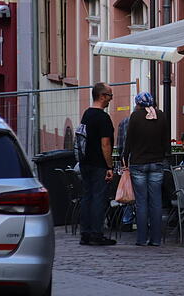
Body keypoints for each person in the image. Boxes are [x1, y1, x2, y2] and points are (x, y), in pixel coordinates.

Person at [122, 92, 170, 247]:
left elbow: (128, 140)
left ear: (138, 103)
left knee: (141, 202)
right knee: (156, 202)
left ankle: (141, 239)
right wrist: (163, 155)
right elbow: (166, 140)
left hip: (138, 164)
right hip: (156, 163)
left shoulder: (135, 117)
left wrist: (125, 156)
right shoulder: (161, 116)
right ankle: (156, 239)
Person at [79, 82, 117, 246]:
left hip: (85, 161)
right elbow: (105, 144)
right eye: (110, 96)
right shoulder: (103, 118)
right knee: (99, 199)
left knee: (87, 197)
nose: (110, 100)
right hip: (98, 164)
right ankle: (96, 233)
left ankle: (85, 233)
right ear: (102, 96)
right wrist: (110, 166)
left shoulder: (87, 114)